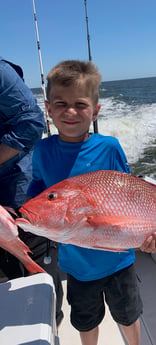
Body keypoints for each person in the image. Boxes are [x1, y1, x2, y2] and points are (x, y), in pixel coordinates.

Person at [26, 59, 156, 345]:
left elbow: (131, 193)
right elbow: (37, 192)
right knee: (85, 320)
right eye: (60, 103)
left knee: (128, 315)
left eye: (80, 103)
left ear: (95, 110)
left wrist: (152, 234)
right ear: (48, 108)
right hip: (77, 265)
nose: (70, 111)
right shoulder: (42, 150)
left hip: (120, 260)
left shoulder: (109, 146)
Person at [0, 57, 64, 326]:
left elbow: (31, 122)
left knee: (41, 275)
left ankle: (52, 323)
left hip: (18, 191)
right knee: (11, 273)